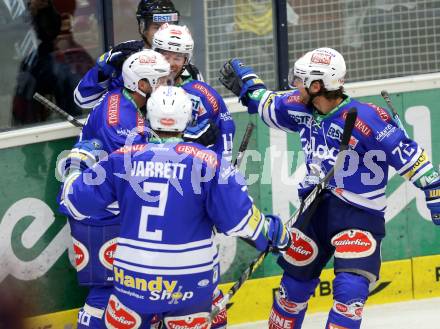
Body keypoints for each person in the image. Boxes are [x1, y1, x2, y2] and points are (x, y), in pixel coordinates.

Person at [219, 47, 440, 329]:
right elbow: (266, 102)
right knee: (290, 293)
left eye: (299, 80)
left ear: (317, 85)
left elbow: (408, 154)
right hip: (313, 211)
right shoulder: (300, 106)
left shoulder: (367, 118)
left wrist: (434, 188)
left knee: (349, 294)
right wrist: (251, 86)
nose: (294, 85)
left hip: (358, 215)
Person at [59, 85, 291, 328]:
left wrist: (77, 164)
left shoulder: (122, 158)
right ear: (188, 119)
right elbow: (241, 222)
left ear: (147, 117)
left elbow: (74, 202)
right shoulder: (209, 162)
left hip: (134, 279)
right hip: (191, 280)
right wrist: (273, 234)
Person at [59, 49, 170, 329]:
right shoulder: (118, 120)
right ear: (142, 84)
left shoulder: (127, 102)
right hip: (100, 212)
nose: (167, 86)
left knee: (127, 284)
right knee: (110, 285)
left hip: (106, 206)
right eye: (161, 80)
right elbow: (138, 167)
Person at [151, 23, 235, 161]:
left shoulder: (200, 94)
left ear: (186, 61)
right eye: (165, 56)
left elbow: (226, 127)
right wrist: (186, 139)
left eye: (177, 58)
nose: (170, 63)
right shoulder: (141, 88)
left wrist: (222, 166)